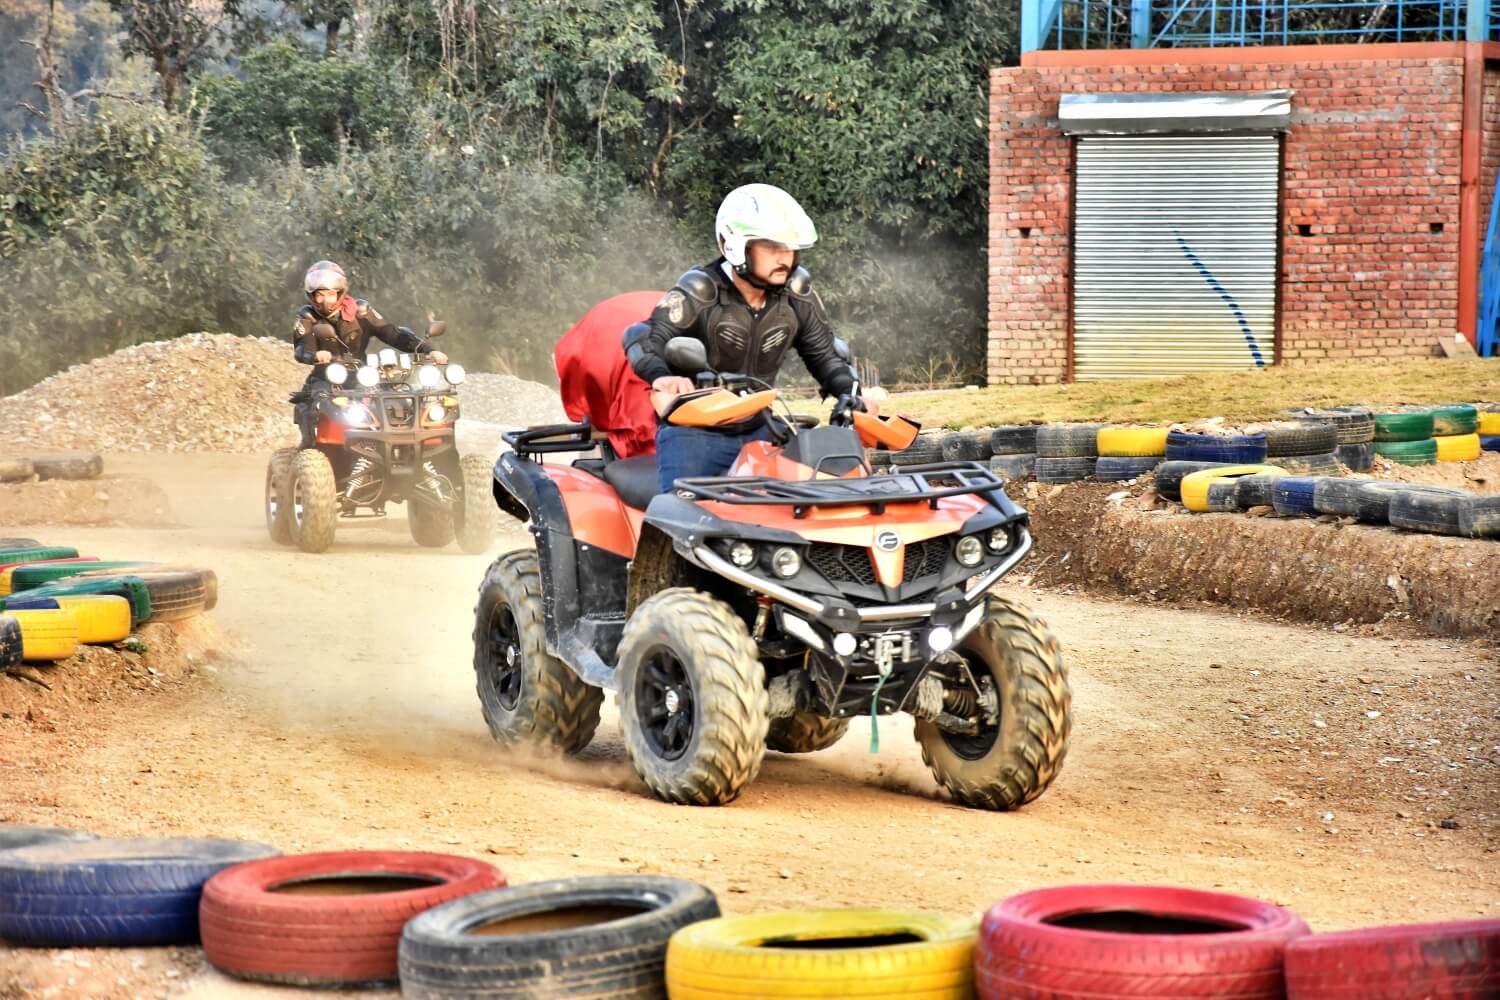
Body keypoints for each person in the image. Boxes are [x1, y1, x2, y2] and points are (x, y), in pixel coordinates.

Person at [628, 184, 863, 492]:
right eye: (772, 247)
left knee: (810, 507)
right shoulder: (701, 290)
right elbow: (644, 337)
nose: (786, 258)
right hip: (695, 434)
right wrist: (661, 377)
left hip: (763, 427)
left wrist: (854, 392)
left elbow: (824, 356)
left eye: (790, 248)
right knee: (682, 518)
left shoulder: (796, 295)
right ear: (735, 245)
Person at [290, 260, 446, 447]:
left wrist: (429, 350)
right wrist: (315, 355)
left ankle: (401, 447)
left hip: (361, 376)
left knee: (398, 402)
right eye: (320, 295)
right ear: (311, 296)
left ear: (340, 292)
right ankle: (312, 454)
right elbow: (301, 349)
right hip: (325, 376)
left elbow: (393, 334)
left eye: (331, 295)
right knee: (316, 407)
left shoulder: (361, 311)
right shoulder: (307, 317)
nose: (325, 301)